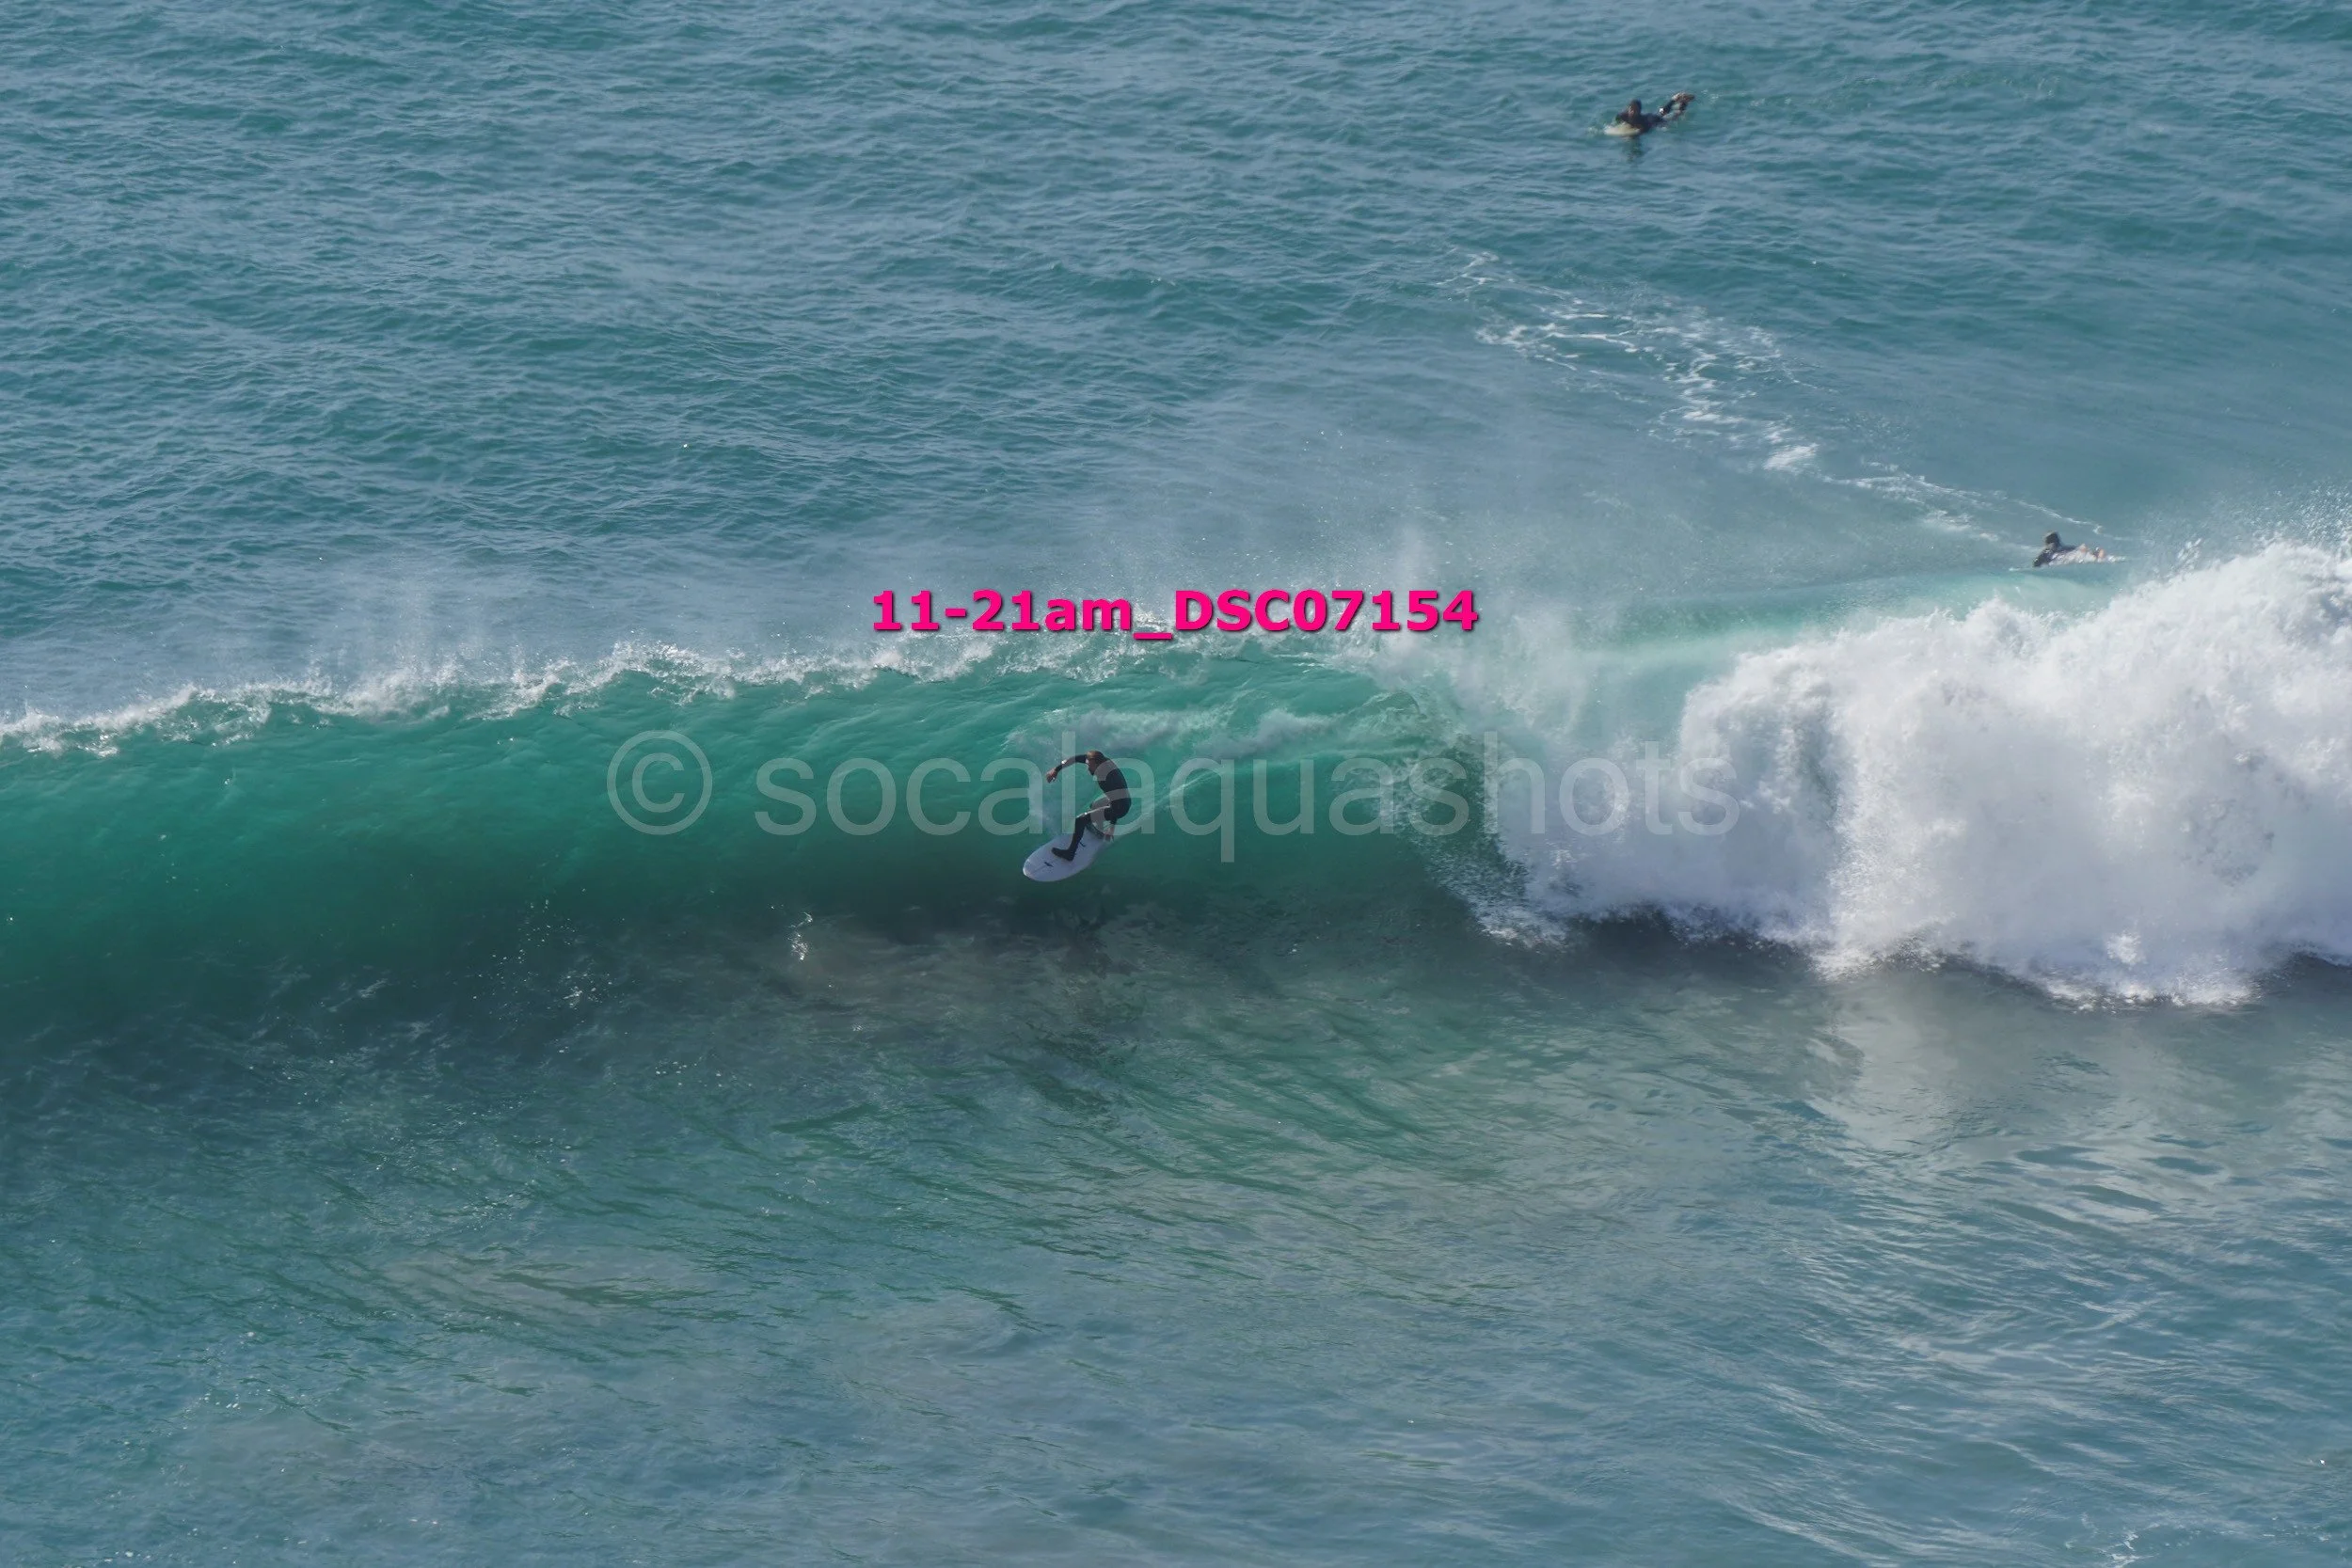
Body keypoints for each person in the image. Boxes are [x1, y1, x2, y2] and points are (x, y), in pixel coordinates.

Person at [1044, 749, 1131, 859]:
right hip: (1120, 798)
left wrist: (1111, 827)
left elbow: (1115, 805)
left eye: (1090, 766)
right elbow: (1075, 759)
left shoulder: (1107, 779)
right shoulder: (1099, 761)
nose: (1088, 767)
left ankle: (1070, 853)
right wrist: (1056, 770)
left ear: (1097, 764)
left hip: (1121, 807)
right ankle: (1098, 832)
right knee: (1093, 806)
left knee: (1080, 820)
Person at [1614, 92, 1694, 134]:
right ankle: (1674, 99)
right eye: (1631, 109)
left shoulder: (1644, 124)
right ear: (1628, 109)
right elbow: (1617, 120)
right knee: (1660, 112)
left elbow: (1640, 133)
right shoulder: (1623, 116)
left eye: (1635, 110)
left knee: (1674, 116)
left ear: (1639, 111)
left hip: (1653, 121)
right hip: (1650, 116)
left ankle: (1684, 103)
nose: (1632, 111)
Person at [2033, 531, 2109, 567]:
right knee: (2085, 551)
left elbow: (2037, 562)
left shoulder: (2049, 549)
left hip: (2062, 558)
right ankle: (2099, 554)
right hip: (2073, 553)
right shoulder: (2066, 547)